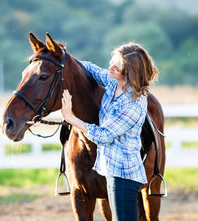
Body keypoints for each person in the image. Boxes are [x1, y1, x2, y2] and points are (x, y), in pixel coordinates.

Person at [61, 42, 158, 221]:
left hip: (124, 176)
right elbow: (90, 68)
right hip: (112, 171)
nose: (110, 68)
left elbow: (104, 136)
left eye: (117, 67)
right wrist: (63, 61)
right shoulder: (114, 82)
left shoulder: (132, 105)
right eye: (112, 61)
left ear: (130, 74)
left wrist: (71, 117)